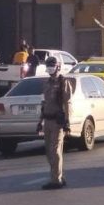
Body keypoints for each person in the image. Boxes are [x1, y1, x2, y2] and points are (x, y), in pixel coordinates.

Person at [40, 56, 73, 191]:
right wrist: (40, 121)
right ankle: (58, 175)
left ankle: (56, 180)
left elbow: (67, 103)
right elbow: (45, 103)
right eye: (48, 65)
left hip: (57, 121)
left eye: (52, 65)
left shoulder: (63, 82)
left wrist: (67, 122)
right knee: (49, 151)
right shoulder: (47, 83)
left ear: (58, 67)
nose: (50, 68)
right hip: (47, 121)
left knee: (55, 150)